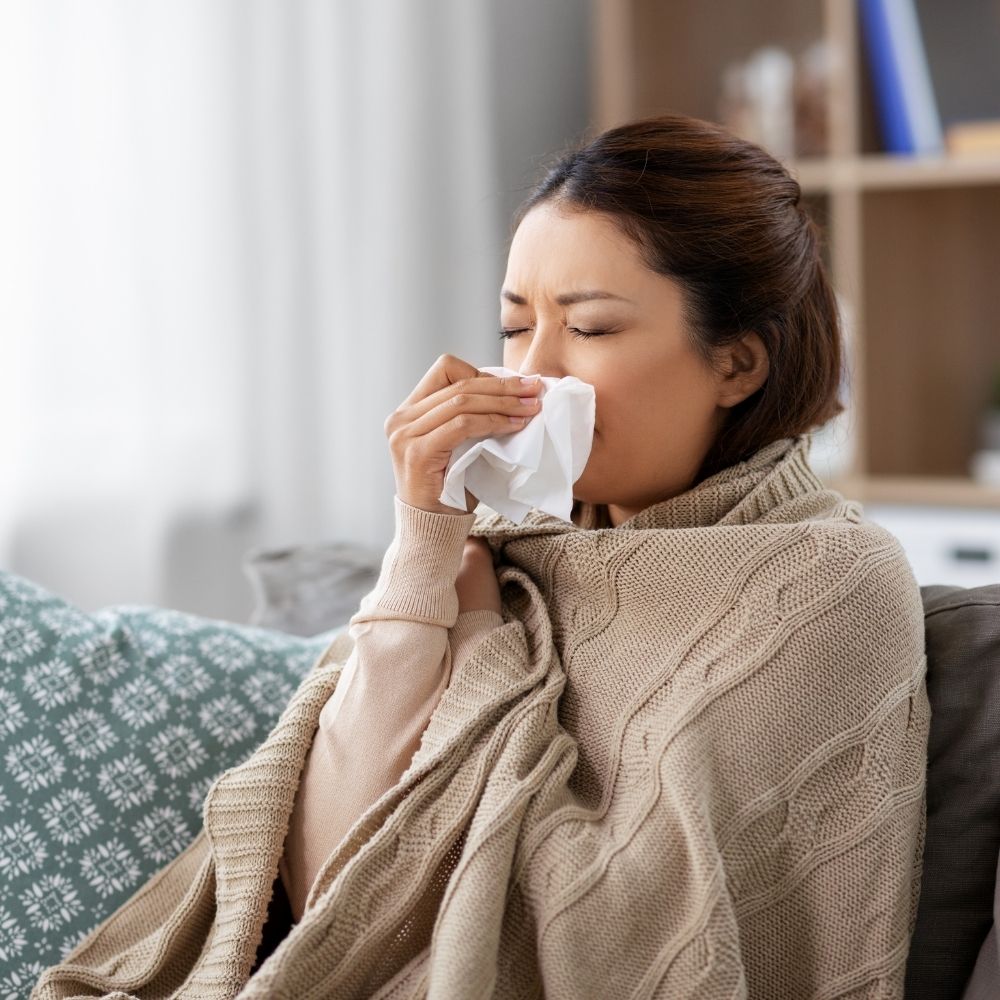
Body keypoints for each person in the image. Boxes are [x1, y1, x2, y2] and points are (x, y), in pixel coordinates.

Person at [34, 112, 929, 999]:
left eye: (590, 329)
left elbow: (626, 938)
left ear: (737, 364)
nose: (532, 374)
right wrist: (420, 553)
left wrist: (479, 644)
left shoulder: (828, 582)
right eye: (513, 327)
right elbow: (322, 886)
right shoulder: (492, 550)